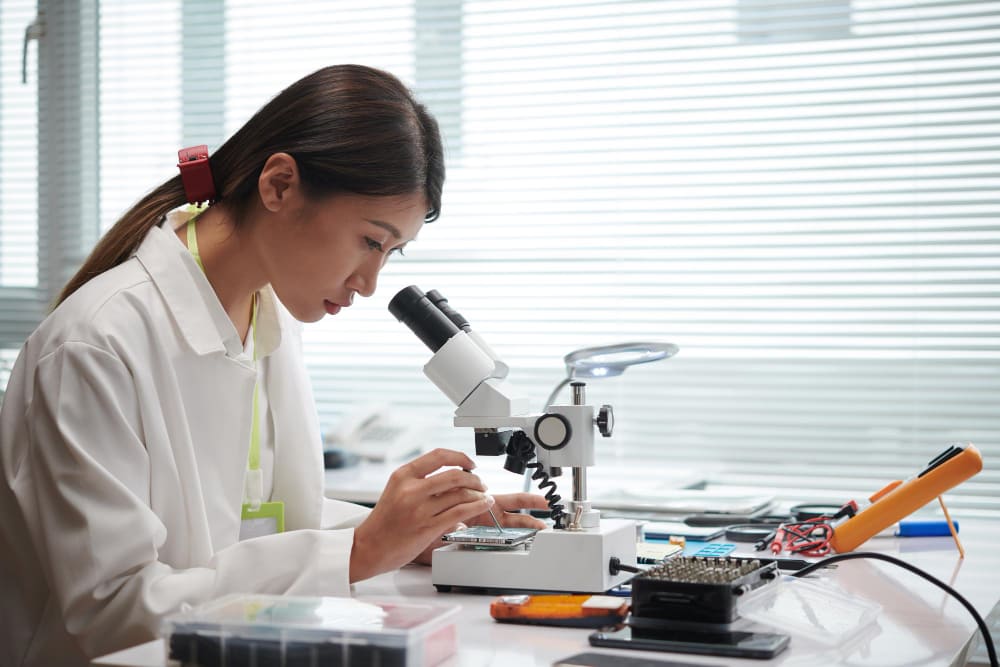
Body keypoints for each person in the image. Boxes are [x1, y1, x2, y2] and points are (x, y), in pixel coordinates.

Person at [0, 64, 548, 666]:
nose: (369, 284)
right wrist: (360, 549)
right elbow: (119, 610)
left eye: (391, 254)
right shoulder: (94, 345)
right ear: (280, 186)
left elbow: (253, 528)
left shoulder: (268, 317)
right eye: (370, 241)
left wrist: (406, 531)